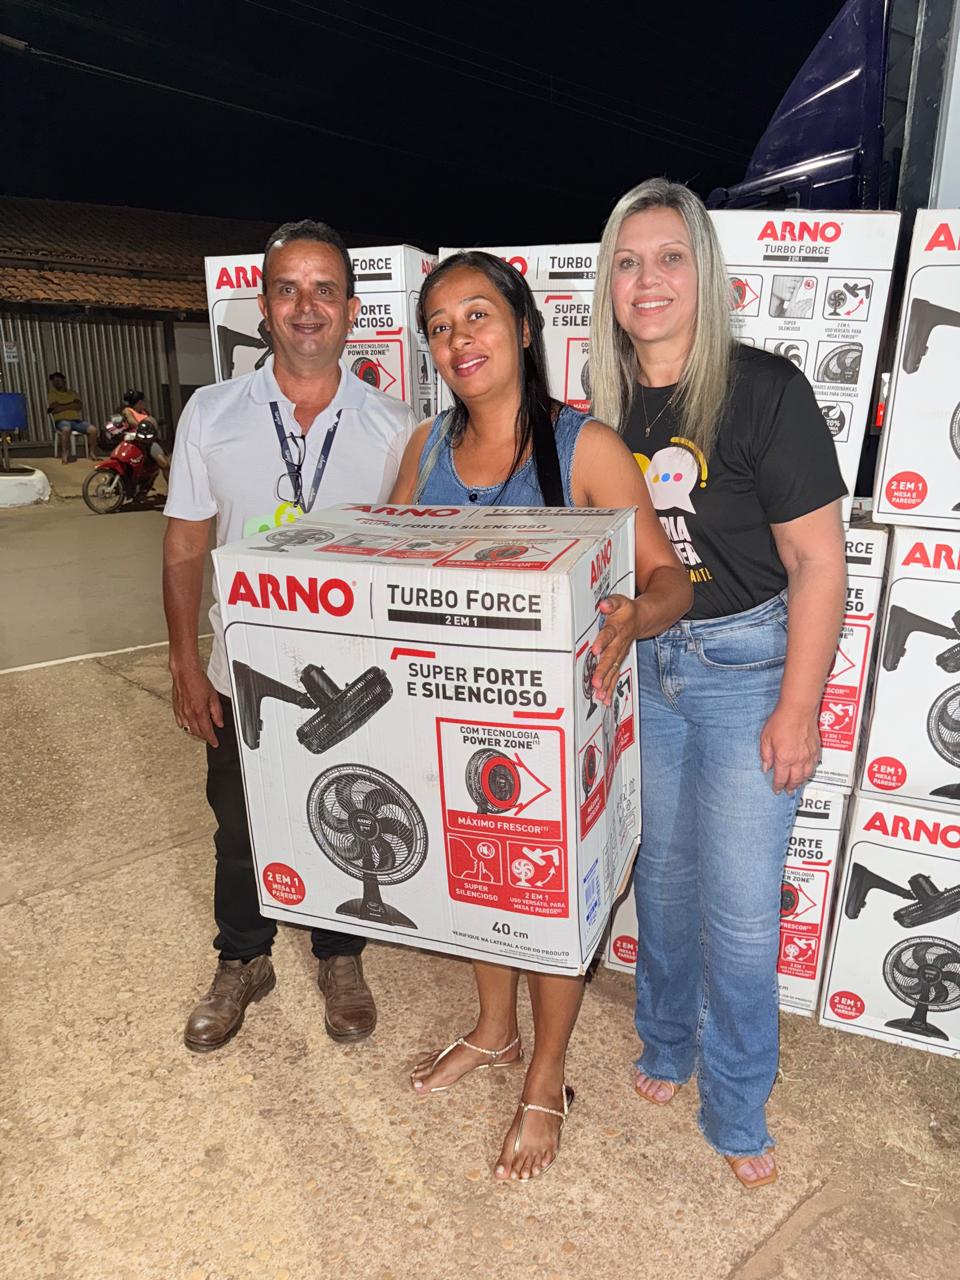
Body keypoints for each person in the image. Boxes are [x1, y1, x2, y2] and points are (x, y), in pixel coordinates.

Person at [389, 251, 692, 1181]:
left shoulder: (584, 446)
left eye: (477, 315)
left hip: (558, 733)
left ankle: (547, 1072)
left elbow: (669, 580)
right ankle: (495, 1028)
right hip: (447, 713)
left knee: (547, 897)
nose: (458, 339)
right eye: (439, 326)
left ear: (523, 327)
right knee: (476, 876)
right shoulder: (425, 448)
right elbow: (382, 570)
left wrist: (636, 616)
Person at [590, 179, 847, 1189]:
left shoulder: (764, 389)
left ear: (704, 271)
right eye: (627, 261)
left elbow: (817, 561)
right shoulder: (602, 405)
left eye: (669, 258)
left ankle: (737, 1101)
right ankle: (665, 1039)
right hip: (642, 666)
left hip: (745, 668)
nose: (647, 280)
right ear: (608, 283)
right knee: (661, 878)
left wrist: (798, 707)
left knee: (740, 911)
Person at [163, 219, 415, 1053]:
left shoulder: (396, 425)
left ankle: (340, 956)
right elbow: (185, 544)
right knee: (238, 829)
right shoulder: (211, 413)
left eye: (325, 290)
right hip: (239, 674)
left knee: (348, 813)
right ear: (264, 307)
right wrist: (182, 662)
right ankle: (243, 958)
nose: (307, 306)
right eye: (288, 289)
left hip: (351, 683)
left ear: (352, 310)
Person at [47, 372, 99, 462]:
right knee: (66, 429)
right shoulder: (52, 394)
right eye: (54, 381)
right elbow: (54, 408)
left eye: (58, 380)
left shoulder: (73, 393)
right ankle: (65, 454)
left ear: (64, 380)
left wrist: (61, 406)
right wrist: (71, 405)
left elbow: (78, 406)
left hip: (76, 421)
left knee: (93, 430)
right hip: (61, 421)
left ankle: (92, 453)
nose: (56, 383)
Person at [120, 390, 170, 481]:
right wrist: (144, 425)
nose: (146, 403)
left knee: (165, 464)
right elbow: (132, 422)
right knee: (164, 464)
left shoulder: (144, 412)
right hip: (137, 441)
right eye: (145, 401)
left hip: (149, 440)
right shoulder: (128, 411)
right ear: (140, 402)